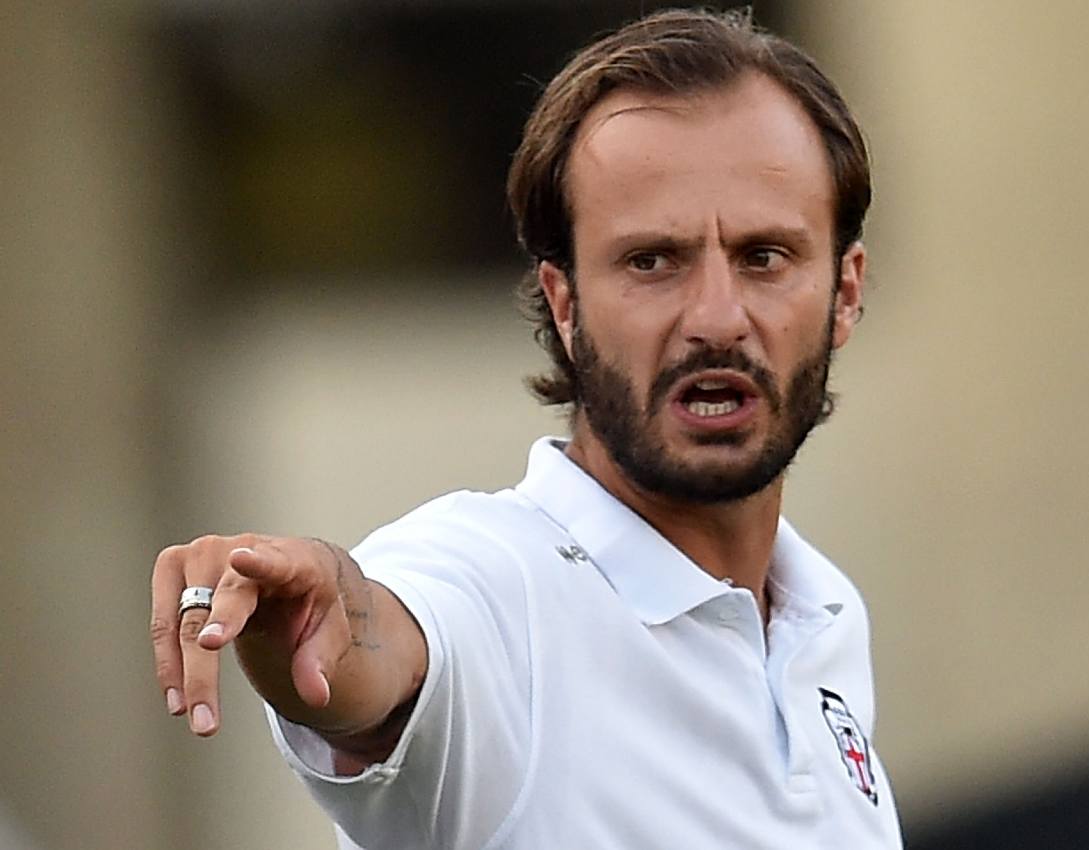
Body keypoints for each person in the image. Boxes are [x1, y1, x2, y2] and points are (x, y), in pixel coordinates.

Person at [149, 8, 903, 849]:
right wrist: (327, 614)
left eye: (764, 257)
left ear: (844, 294)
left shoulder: (823, 615)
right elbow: (395, 646)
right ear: (565, 303)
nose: (717, 318)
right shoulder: (495, 585)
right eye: (652, 261)